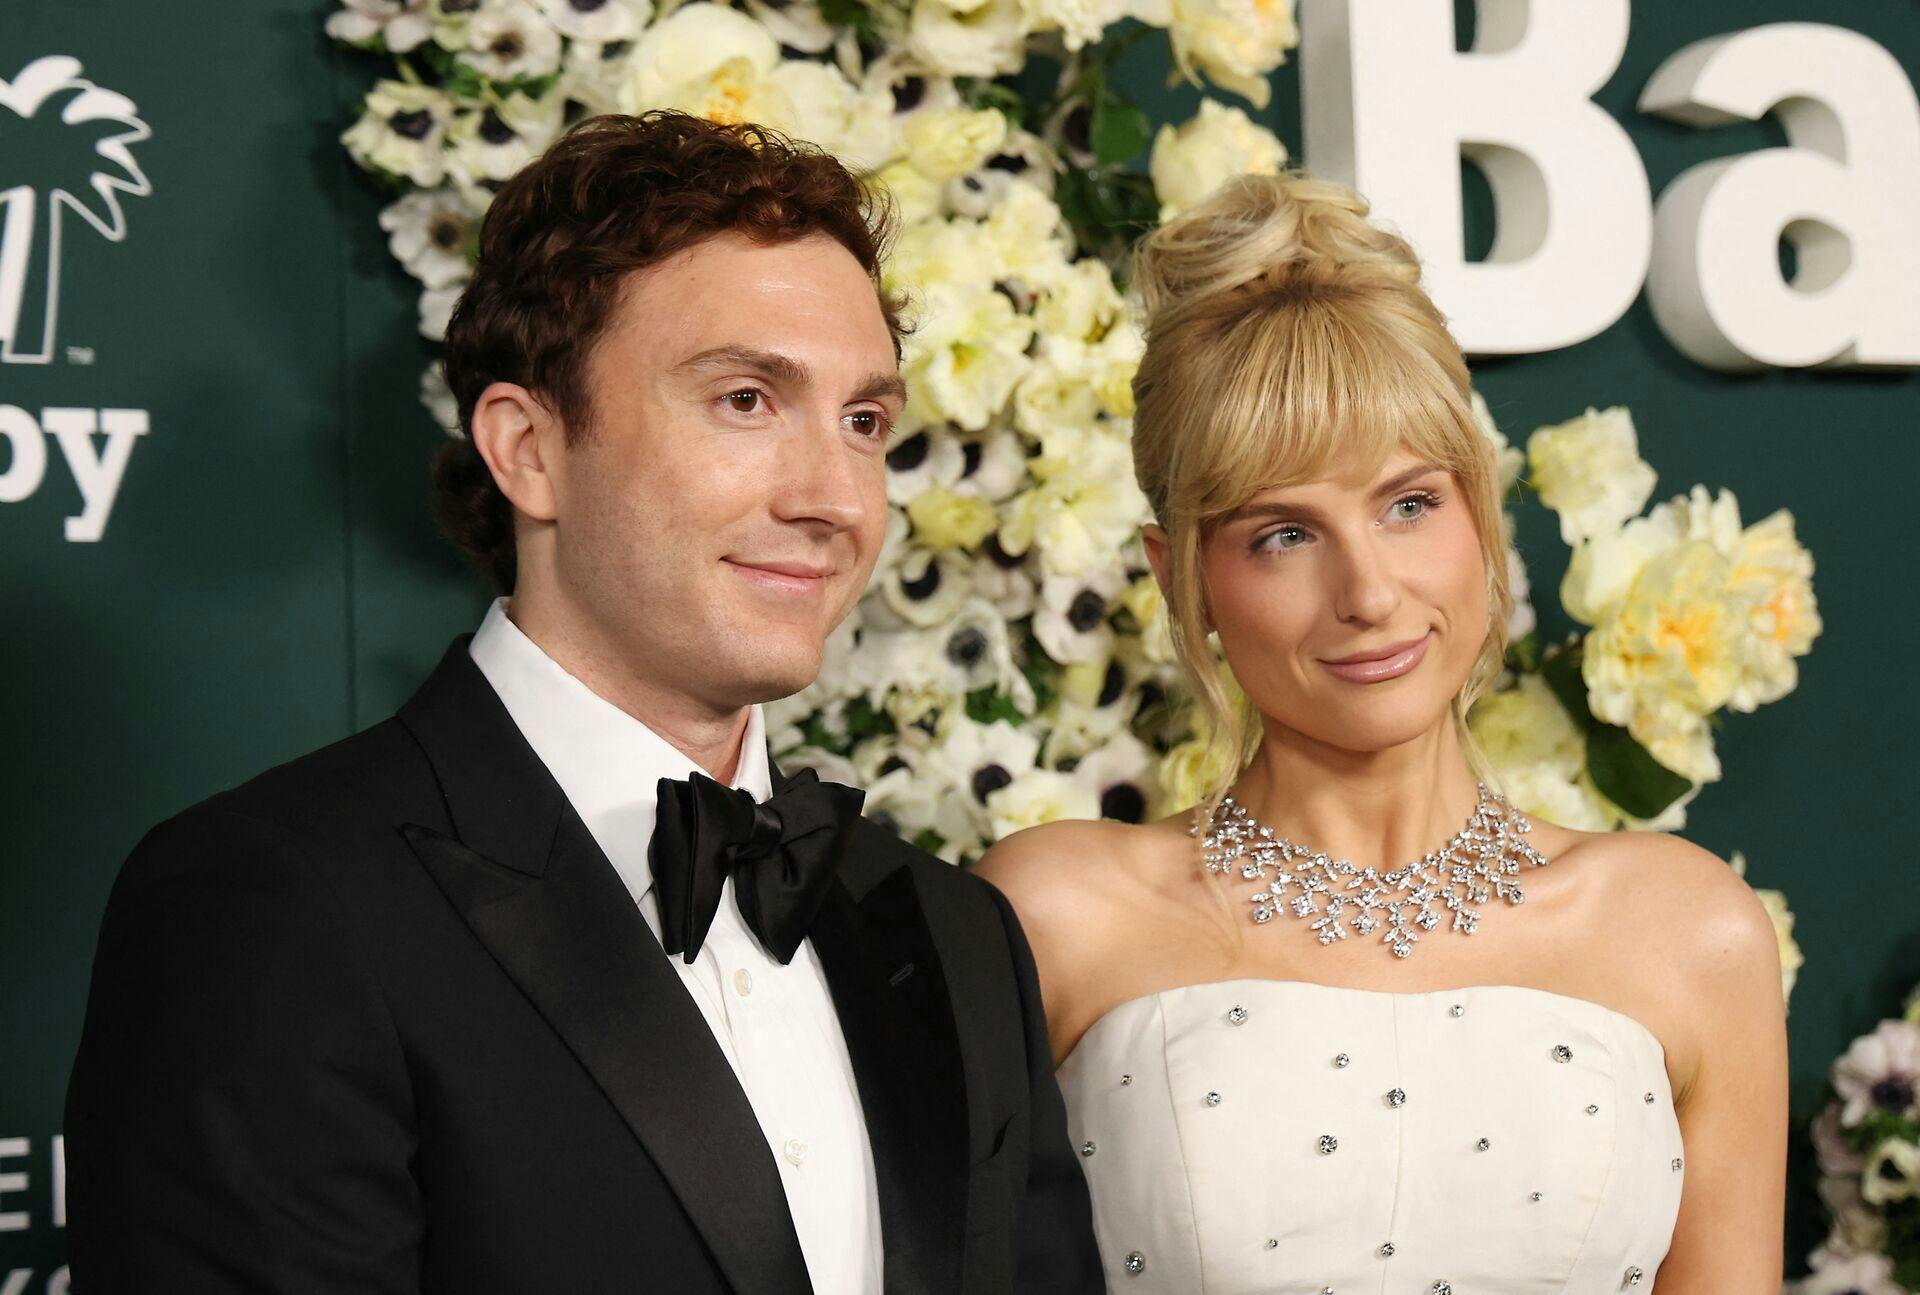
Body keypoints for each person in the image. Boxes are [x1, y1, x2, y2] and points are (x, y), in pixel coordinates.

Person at [66, 111, 1099, 1294]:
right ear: (528, 449)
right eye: (746, 400)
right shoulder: (270, 906)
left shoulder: (954, 931)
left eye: (863, 421)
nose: (833, 496)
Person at [977, 171, 1787, 1291]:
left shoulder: (1689, 930)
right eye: (1282, 535)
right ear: (1183, 577)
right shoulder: (1056, 914)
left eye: (1410, 503)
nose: (1368, 592)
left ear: (1478, 511)